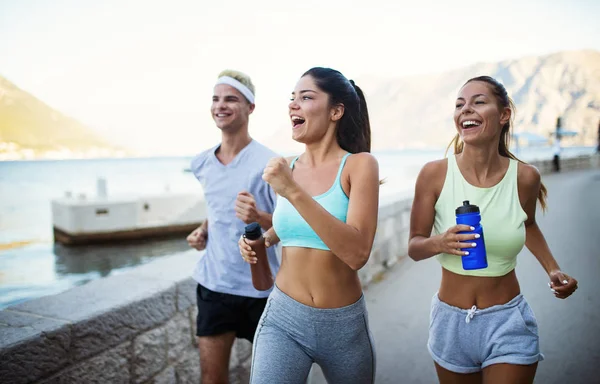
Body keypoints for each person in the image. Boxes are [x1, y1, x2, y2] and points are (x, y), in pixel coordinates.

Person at [408, 76, 578, 384]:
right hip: (450, 323)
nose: (465, 110)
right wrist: (440, 242)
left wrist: (553, 269)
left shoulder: (525, 177)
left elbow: (527, 224)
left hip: (507, 321)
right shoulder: (433, 175)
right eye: (459, 105)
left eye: (478, 102)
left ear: (503, 115)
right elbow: (414, 246)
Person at [239, 67, 379, 384]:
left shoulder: (359, 165)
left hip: (343, 324)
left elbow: (357, 253)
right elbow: (291, 227)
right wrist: (262, 240)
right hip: (284, 317)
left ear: (336, 111)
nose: (293, 105)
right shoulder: (287, 166)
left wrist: (292, 191)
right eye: (292, 98)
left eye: (306, 97)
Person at [187, 69, 280, 384]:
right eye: (215, 99)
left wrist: (259, 217)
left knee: (275, 379)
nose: (220, 106)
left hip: (263, 290)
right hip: (215, 288)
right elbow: (218, 207)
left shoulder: (270, 164)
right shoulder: (201, 163)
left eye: (231, 99)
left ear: (250, 107)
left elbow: (290, 224)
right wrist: (204, 230)